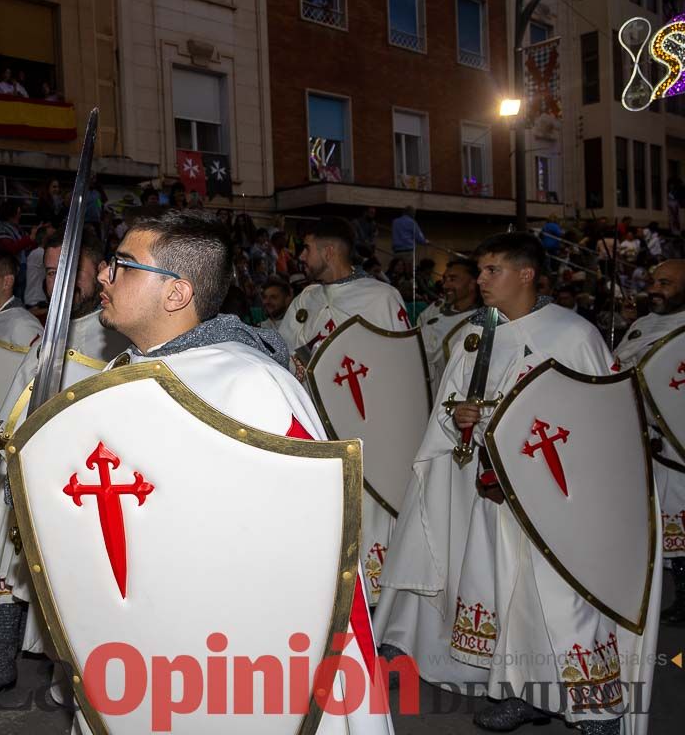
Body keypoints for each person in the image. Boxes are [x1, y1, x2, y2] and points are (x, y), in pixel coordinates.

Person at [76, 209, 387, 732]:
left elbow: (319, 546)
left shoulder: (251, 384)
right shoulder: (118, 372)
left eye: (123, 266)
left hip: (225, 651)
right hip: (136, 632)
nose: (104, 276)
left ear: (177, 293)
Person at [376, 234, 655, 735]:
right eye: (479, 271)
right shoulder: (475, 336)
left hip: (558, 494)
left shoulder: (573, 335)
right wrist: (459, 418)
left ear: (526, 275)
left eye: (491, 271)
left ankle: (596, 708)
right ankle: (522, 692)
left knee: (564, 599)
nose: (480, 281)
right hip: (494, 490)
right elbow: (451, 406)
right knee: (508, 595)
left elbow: (605, 419)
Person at [0, 230, 128, 702]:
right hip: (25, 470)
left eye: (69, 270)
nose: (58, 281)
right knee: (11, 567)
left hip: (81, 486)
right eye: (51, 272)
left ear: (101, 273)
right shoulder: (50, 327)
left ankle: (76, 678)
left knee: (72, 583)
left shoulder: (118, 335)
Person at [279, 217, 409, 603]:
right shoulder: (305, 301)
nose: (301, 257)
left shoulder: (380, 298)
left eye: (306, 248)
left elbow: (402, 365)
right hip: (319, 428)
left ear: (328, 251)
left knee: (368, 515)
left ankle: (376, 606)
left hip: (367, 426)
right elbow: (284, 358)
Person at [614, 260, 685, 625]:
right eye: (653, 281)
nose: (654, 289)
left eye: (666, 283)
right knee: (662, 528)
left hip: (677, 444)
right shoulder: (642, 326)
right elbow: (618, 368)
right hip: (646, 443)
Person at [416, 257, 481, 395]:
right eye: (445, 279)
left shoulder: (480, 322)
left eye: (453, 279)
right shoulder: (434, 310)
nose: (445, 285)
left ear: (472, 284)